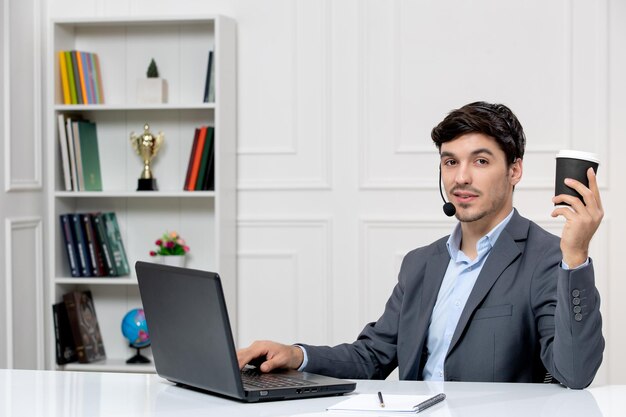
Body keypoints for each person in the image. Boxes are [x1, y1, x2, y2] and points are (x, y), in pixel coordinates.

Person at [237, 101, 605, 389]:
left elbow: (574, 373)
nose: (460, 177)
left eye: (480, 160)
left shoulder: (547, 258)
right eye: (450, 162)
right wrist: (296, 355)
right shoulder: (421, 263)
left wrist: (575, 257)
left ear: (514, 170)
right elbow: (372, 356)